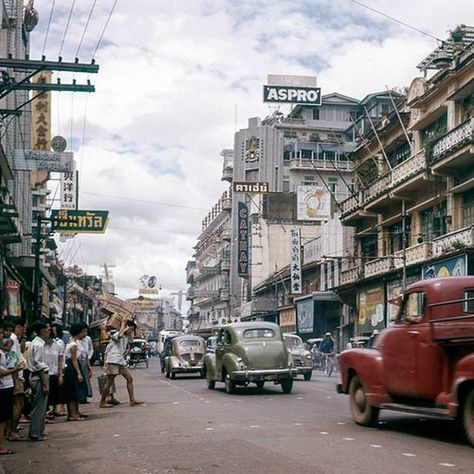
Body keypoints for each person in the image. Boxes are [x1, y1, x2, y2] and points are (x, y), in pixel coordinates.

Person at [100, 319, 143, 408]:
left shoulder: (127, 336)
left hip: (120, 360)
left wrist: (135, 328)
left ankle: (132, 400)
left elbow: (134, 338)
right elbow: (119, 336)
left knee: (129, 379)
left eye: (132, 330)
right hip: (113, 359)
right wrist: (123, 324)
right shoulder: (114, 332)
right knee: (109, 381)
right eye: (130, 329)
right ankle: (102, 401)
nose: (130, 331)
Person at [0, 326, 25, 455]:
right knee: (3, 417)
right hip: (4, 384)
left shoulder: (5, 350)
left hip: (8, 383)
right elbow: (3, 371)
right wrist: (15, 371)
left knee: (5, 417)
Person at [27, 319, 51, 441]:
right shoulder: (38, 345)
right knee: (39, 406)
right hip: (40, 376)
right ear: (42, 330)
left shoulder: (37, 343)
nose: (49, 330)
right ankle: (35, 433)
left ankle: (39, 430)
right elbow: (39, 365)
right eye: (47, 328)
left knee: (42, 405)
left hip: (38, 376)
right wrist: (45, 383)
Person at [62, 323, 88, 421]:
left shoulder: (71, 342)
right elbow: (74, 360)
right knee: (73, 391)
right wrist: (79, 373)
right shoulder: (73, 345)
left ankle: (75, 412)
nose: (85, 334)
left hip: (72, 367)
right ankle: (73, 414)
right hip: (73, 368)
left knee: (74, 390)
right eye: (83, 332)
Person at [44, 324, 66, 419]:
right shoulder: (41, 345)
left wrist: (60, 374)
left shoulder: (57, 344)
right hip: (44, 372)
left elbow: (60, 359)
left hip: (54, 372)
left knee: (55, 391)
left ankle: (54, 409)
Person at [77, 323, 93, 402]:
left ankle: (84, 396)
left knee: (86, 380)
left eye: (86, 332)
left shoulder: (88, 339)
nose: (85, 334)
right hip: (78, 362)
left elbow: (89, 350)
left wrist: (89, 365)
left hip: (85, 361)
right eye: (83, 332)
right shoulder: (74, 342)